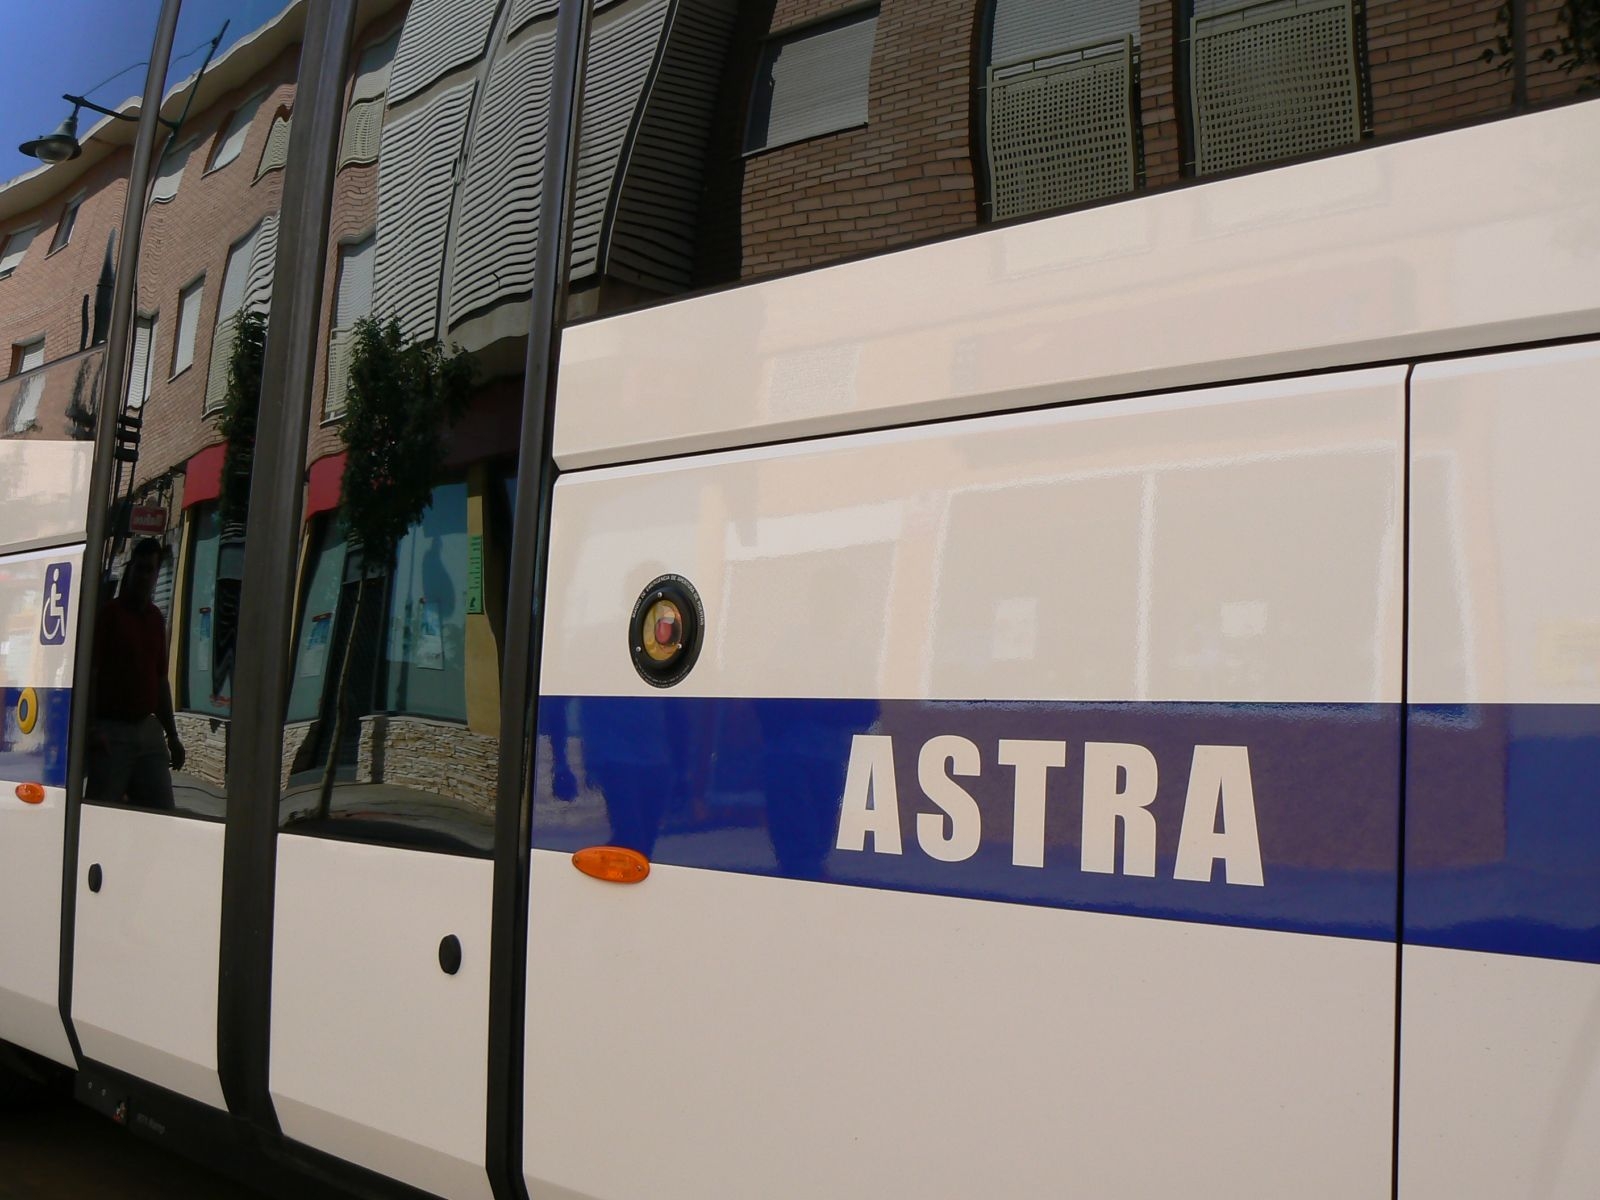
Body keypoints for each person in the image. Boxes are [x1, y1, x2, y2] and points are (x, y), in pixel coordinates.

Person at [86, 537, 186, 808]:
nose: (143, 576)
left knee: (161, 809)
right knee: (102, 808)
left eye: (149, 570)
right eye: (139, 568)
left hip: (147, 728)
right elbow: (91, 674)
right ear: (130, 570)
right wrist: (92, 728)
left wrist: (172, 735)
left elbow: (160, 679)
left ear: (156, 575)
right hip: (112, 730)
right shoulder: (110, 615)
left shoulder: (155, 619)